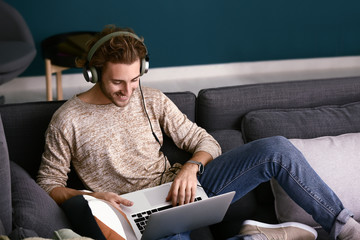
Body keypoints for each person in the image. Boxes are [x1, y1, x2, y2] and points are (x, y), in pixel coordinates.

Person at [37, 25, 360, 240]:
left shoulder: (151, 98)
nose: (128, 91)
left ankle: (343, 227)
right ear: (92, 74)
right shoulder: (68, 120)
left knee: (276, 149)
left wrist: (192, 168)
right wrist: (90, 197)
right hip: (134, 214)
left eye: (134, 80)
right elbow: (48, 183)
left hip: (184, 190)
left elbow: (205, 141)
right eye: (117, 82)